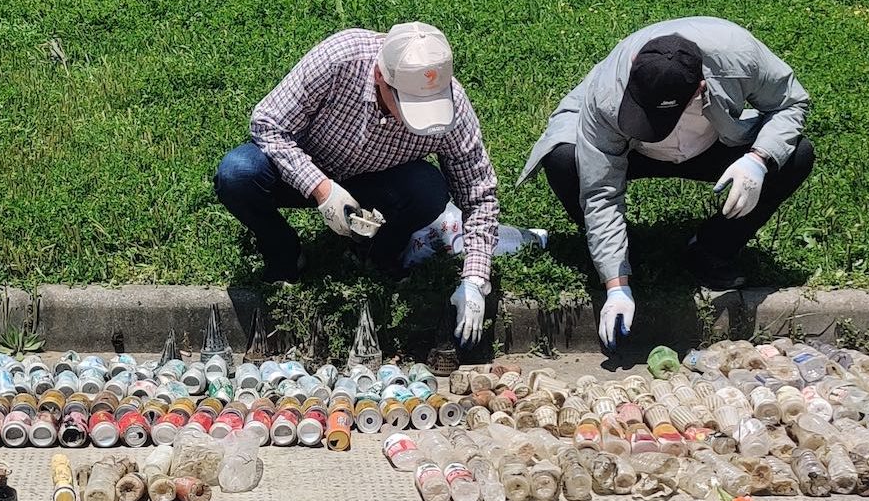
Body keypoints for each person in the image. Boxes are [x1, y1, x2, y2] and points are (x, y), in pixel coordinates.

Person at [520, 18, 814, 348]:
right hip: (631, 148)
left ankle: (710, 250)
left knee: (796, 155)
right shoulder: (606, 94)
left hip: (712, 140)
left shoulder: (739, 54)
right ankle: (631, 254)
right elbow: (600, 192)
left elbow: (791, 101)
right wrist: (616, 286)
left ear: (700, 88)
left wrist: (758, 160)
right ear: (633, 66)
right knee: (563, 159)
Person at [213, 23, 501, 347]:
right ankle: (285, 253)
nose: (412, 120)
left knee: (430, 191)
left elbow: (479, 193)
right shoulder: (342, 57)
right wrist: (320, 187)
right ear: (380, 77)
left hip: (375, 178)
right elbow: (267, 123)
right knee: (237, 173)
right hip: (301, 166)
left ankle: (377, 253)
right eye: (407, 105)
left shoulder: (453, 106)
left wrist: (475, 280)